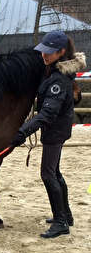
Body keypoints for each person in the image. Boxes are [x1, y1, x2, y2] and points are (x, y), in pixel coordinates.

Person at [10, 30, 86, 239]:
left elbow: (47, 114)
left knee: (48, 174)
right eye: (43, 51)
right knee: (56, 172)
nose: (44, 55)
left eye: (49, 52)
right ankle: (66, 215)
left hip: (55, 131)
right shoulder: (53, 70)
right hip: (57, 129)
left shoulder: (58, 81)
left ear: (61, 52)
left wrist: (21, 133)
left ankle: (61, 222)